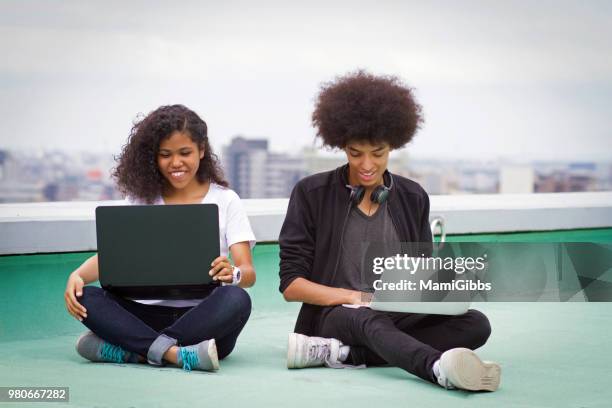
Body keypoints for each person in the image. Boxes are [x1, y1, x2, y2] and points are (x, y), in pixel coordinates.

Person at [278, 71, 501, 391]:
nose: (366, 164)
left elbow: (422, 279)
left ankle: (347, 356)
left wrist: (446, 286)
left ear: (393, 145)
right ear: (341, 145)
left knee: (475, 324)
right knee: (368, 318)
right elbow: (291, 286)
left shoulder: (412, 197)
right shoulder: (312, 193)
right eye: (355, 153)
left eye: (378, 153)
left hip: (394, 311)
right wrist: (355, 297)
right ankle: (437, 368)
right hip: (334, 315)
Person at [64, 104, 256, 372]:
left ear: (202, 150)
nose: (175, 163)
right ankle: (175, 354)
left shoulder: (226, 200)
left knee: (237, 300)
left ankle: (136, 351)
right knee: (86, 297)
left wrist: (233, 273)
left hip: (202, 318)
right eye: (165, 155)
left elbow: (247, 273)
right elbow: (114, 256)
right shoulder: (141, 200)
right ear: (153, 157)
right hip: (143, 314)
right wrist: (78, 276)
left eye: (185, 153)